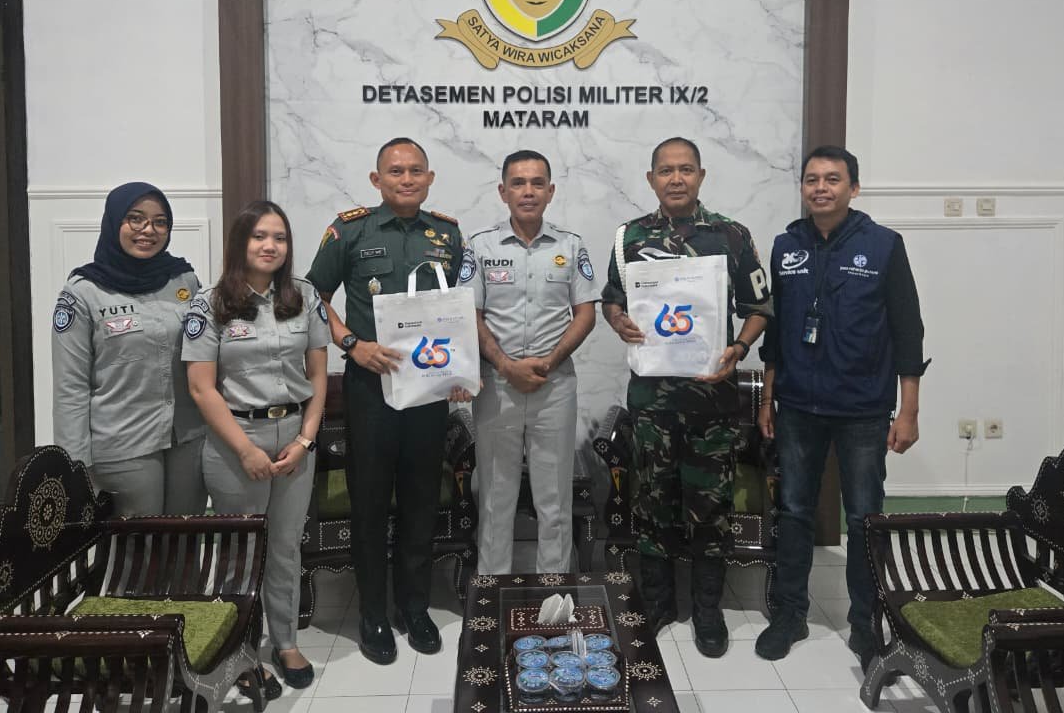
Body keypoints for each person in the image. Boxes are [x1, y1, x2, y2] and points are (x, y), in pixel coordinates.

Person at [754, 145, 928, 669]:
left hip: (863, 408)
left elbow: (908, 329)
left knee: (863, 517)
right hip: (797, 406)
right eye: (812, 179)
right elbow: (776, 331)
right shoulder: (786, 245)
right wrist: (768, 397)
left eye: (832, 179)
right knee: (794, 512)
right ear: (802, 188)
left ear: (853, 188)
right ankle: (789, 615)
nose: (821, 188)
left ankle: (865, 623)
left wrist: (909, 410)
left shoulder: (884, 245)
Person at [601, 137, 772, 658]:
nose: (676, 179)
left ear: (701, 175)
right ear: (650, 178)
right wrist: (618, 321)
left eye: (686, 169)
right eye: (666, 170)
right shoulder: (629, 237)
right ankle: (657, 603)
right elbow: (611, 299)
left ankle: (707, 612)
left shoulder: (731, 235)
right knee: (651, 504)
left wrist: (740, 347)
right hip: (652, 401)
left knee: (710, 509)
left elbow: (760, 306)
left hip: (712, 402)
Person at [308, 137, 473, 665]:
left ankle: (414, 607)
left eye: (416, 171)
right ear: (376, 179)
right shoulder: (350, 230)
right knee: (371, 501)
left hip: (429, 389)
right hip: (371, 389)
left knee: (422, 499)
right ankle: (373, 613)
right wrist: (351, 344)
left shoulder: (447, 234)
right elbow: (313, 297)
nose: (407, 179)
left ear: (430, 178)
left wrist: (461, 369)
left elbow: (461, 308)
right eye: (396, 171)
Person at [184, 200, 328, 692]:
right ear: (240, 243)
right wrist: (244, 450)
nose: (271, 246)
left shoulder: (304, 296)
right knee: (239, 554)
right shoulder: (210, 303)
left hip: (295, 439)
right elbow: (201, 387)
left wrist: (306, 439)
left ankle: (285, 642)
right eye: (259, 236)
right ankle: (240, 651)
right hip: (235, 442)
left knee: (285, 547)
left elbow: (318, 376)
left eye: (280, 238)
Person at [464, 150, 599, 575]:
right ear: (503, 191)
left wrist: (548, 363)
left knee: (554, 499)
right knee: (495, 496)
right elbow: (470, 315)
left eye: (537, 183)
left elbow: (586, 314)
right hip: (497, 385)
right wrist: (506, 366)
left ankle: (554, 591)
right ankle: (492, 590)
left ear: (551, 191)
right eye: (518, 183)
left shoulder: (570, 246)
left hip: (553, 386)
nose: (528, 191)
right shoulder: (480, 247)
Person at [52, 182, 206, 516]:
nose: (148, 230)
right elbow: (70, 386)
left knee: (186, 538)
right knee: (136, 544)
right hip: (123, 444)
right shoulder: (83, 292)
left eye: (160, 222)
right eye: (135, 219)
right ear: (114, 222)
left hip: (188, 437)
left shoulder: (184, 280)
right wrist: (74, 464)